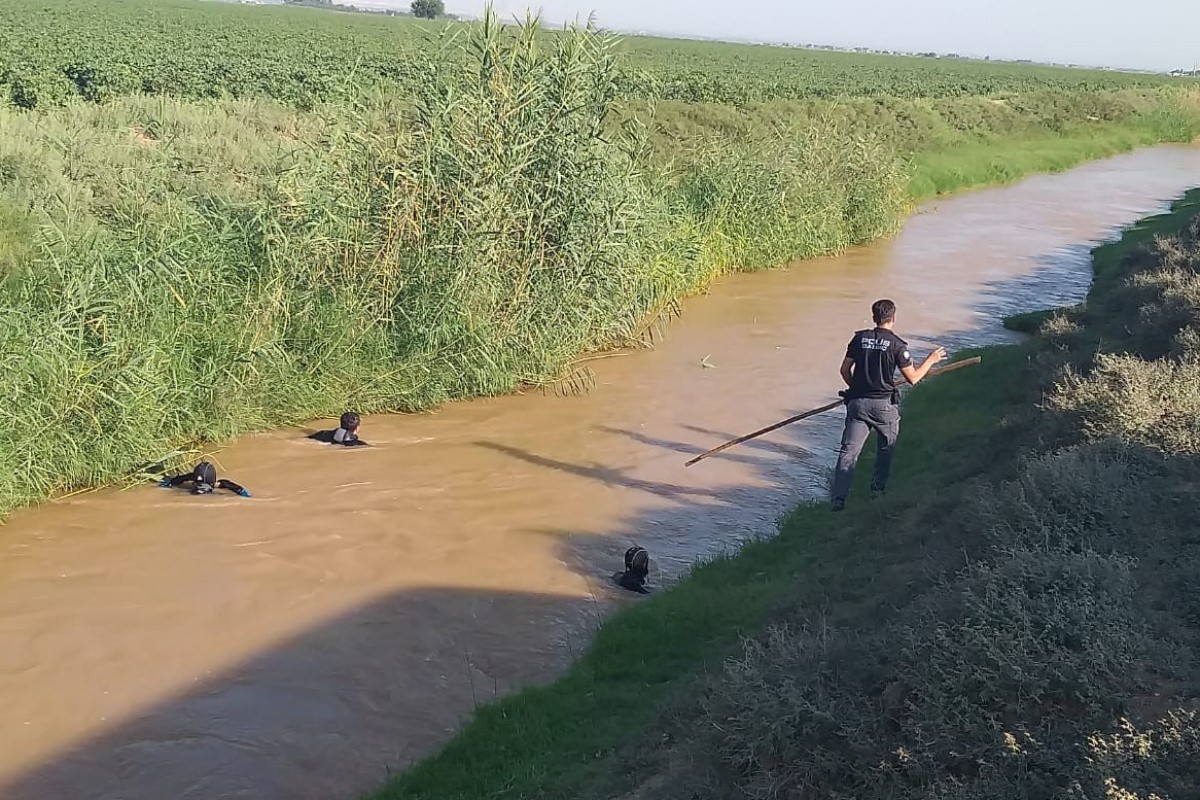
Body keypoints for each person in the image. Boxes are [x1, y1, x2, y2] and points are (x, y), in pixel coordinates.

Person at [830, 299, 946, 511]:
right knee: (885, 447)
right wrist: (931, 360)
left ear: (874, 317)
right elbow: (913, 378)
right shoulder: (898, 345)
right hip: (884, 407)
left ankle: (838, 499)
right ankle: (877, 490)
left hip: (857, 404)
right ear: (893, 317)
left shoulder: (859, 339)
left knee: (848, 451)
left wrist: (856, 388)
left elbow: (844, 370)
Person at [159, 461, 251, 497]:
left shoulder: (222, 484)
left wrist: (169, 482)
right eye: (198, 485)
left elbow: (235, 488)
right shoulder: (192, 477)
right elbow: (182, 478)